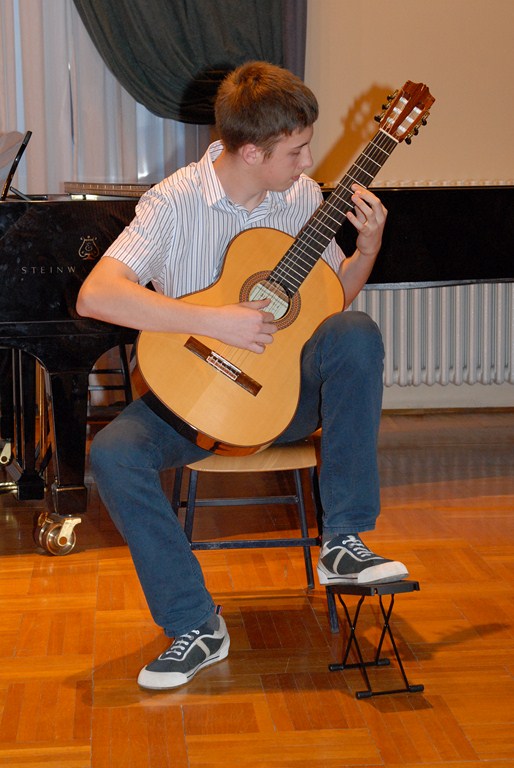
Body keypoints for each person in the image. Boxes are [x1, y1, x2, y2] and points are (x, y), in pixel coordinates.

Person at [76, 60, 408, 691]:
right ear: (252, 151)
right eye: (296, 151)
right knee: (114, 455)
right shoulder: (174, 202)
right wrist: (214, 320)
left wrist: (366, 250)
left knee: (355, 332)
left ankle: (344, 542)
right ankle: (195, 624)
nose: (309, 163)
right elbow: (96, 295)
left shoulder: (300, 198)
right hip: (197, 397)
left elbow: (327, 304)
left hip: (282, 395)